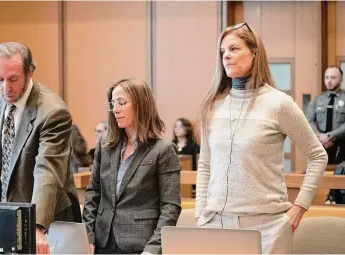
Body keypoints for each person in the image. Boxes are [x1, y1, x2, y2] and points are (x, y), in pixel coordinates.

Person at [196, 22, 328, 254]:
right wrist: (200, 215)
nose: (226, 56)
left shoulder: (278, 103)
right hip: (217, 225)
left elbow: (318, 156)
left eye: (234, 49)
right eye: (223, 51)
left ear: (255, 53)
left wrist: (300, 206)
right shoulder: (213, 106)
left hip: (267, 227)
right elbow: (205, 165)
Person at [0, 42, 81, 254]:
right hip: (13, 212)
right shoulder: (3, 98)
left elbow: (48, 170)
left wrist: (38, 225)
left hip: (49, 218)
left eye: (13, 79)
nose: (6, 87)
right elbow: (10, 149)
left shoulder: (53, 112)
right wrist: (0, 184)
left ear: (30, 72)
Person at [82, 78, 181, 254]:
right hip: (101, 243)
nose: (115, 109)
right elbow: (93, 193)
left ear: (141, 105)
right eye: (113, 104)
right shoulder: (105, 147)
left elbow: (170, 206)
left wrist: (153, 248)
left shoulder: (163, 150)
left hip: (141, 246)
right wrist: (87, 235)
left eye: (122, 103)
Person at [306, 66, 345, 164]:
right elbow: (309, 120)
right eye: (326, 77)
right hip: (321, 144)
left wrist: (330, 136)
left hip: (341, 145)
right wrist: (320, 137)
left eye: (333, 77)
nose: (329, 81)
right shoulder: (318, 99)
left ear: (341, 79)